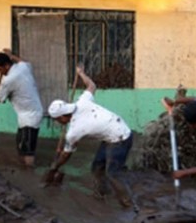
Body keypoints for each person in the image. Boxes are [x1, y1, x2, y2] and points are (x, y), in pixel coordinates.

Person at [46, 65, 134, 208]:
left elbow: (66, 155)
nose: (57, 123)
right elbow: (92, 85)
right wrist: (81, 73)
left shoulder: (74, 131)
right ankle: (101, 194)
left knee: (112, 174)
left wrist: (55, 166)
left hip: (120, 138)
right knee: (96, 167)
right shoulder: (82, 101)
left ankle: (129, 205)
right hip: (113, 133)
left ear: (62, 117)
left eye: (57, 120)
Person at [0, 48, 44, 167]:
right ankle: (24, 168)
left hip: (29, 118)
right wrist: (12, 56)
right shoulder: (22, 67)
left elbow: (0, 98)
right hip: (30, 114)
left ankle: (29, 174)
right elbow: (23, 62)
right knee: (21, 145)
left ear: (6, 65)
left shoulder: (8, 80)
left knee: (27, 150)